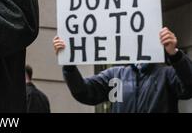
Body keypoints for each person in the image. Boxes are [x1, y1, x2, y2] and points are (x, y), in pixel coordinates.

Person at [53, 27, 192, 113]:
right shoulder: (115, 75)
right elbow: (83, 92)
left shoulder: (166, 74)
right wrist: (69, 64)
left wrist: (175, 54)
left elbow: (189, 87)